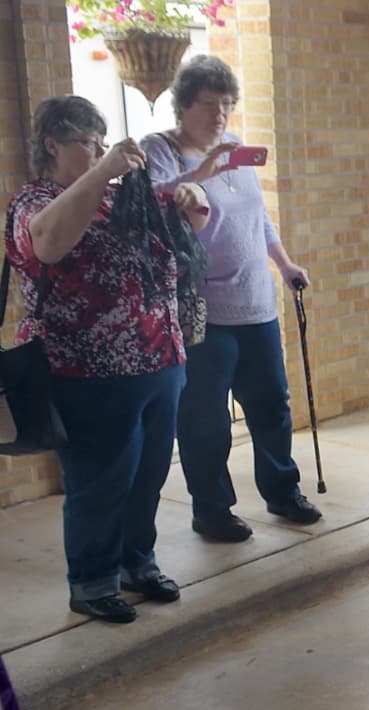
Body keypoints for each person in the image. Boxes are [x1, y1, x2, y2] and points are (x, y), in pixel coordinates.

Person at [5, 96, 210, 622]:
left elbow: (180, 237)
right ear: (52, 145)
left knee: (148, 474)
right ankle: (93, 582)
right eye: (87, 144)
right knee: (100, 480)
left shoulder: (118, 195)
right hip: (87, 370)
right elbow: (47, 244)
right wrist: (103, 172)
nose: (99, 153)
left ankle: (137, 563)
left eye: (102, 143)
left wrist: (192, 199)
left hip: (159, 357)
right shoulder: (34, 202)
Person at [143, 55, 321, 543]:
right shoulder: (161, 149)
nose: (219, 114)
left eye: (226, 104)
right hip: (202, 312)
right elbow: (151, 201)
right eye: (208, 103)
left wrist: (285, 264)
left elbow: (258, 216)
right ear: (183, 105)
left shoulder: (236, 148)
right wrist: (202, 170)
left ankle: (283, 492)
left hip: (256, 303)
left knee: (271, 405)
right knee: (205, 418)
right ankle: (212, 509)